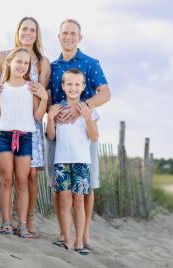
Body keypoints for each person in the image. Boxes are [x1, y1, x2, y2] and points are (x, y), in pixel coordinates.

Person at [47, 19, 111, 251]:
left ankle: (83, 238)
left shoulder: (90, 63)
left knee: (87, 187)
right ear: (59, 36)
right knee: (59, 188)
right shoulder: (52, 66)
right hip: (58, 131)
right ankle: (65, 236)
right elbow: (47, 96)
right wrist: (51, 115)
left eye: (73, 33)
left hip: (83, 130)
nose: (69, 37)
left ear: (80, 38)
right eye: (65, 33)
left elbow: (105, 94)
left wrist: (80, 107)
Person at [0, 17, 51, 234]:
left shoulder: (42, 61)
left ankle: (25, 222)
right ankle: (6, 221)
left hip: (29, 126)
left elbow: (39, 100)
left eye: (33, 30)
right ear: (18, 31)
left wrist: (43, 99)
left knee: (28, 177)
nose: (28, 33)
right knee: (6, 178)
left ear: (37, 34)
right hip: (4, 122)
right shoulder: (4, 56)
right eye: (24, 29)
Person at [47, 69, 99, 255]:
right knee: (64, 200)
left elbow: (94, 137)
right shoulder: (57, 109)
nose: (73, 87)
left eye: (77, 84)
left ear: (83, 87)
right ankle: (67, 240)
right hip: (61, 161)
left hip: (82, 162)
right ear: (63, 86)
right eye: (69, 84)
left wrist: (87, 118)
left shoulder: (89, 110)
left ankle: (79, 242)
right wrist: (51, 118)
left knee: (79, 201)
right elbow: (51, 136)